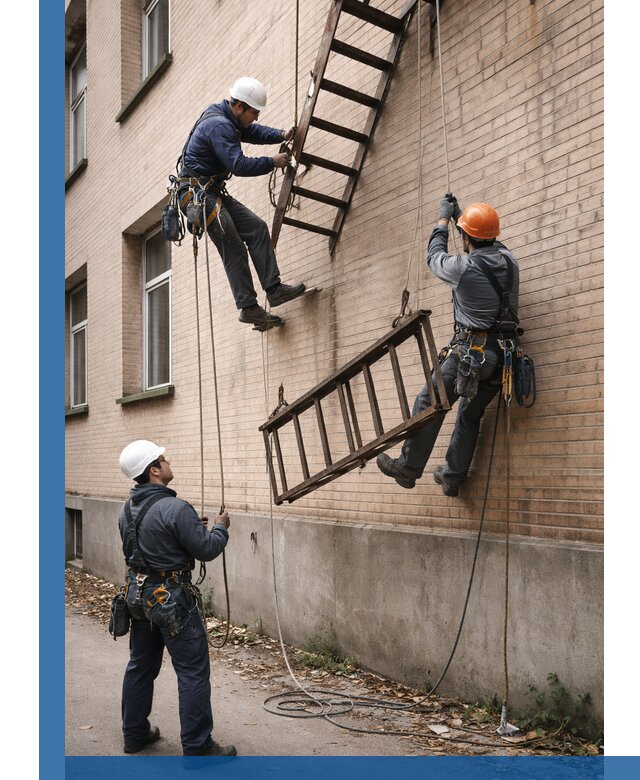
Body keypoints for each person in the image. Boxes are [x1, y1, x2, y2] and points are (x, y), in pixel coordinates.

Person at [377, 195, 520, 496]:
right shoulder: (510, 261)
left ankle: (408, 468)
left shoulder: (463, 268)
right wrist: (461, 220)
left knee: (429, 403)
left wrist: (443, 220)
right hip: (502, 358)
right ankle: (452, 478)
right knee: (469, 415)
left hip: (471, 355)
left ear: (467, 238)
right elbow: (481, 239)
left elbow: (433, 257)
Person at [117, 439, 236, 757]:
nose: (169, 463)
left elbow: (141, 551)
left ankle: (135, 735)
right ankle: (198, 747)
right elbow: (208, 549)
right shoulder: (176, 508)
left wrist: (186, 532)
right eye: (164, 459)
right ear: (154, 471)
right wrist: (220, 528)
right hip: (172, 602)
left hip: (138, 598)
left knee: (140, 666)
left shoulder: (126, 510)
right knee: (193, 671)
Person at [177, 77, 306, 330]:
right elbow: (238, 165)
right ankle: (249, 308)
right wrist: (272, 161)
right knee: (233, 245)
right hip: (196, 194)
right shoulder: (219, 126)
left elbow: (252, 132)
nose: (255, 117)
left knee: (256, 228)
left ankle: (274, 289)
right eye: (254, 112)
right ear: (239, 107)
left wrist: (280, 134)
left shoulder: (228, 117)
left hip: (211, 191)